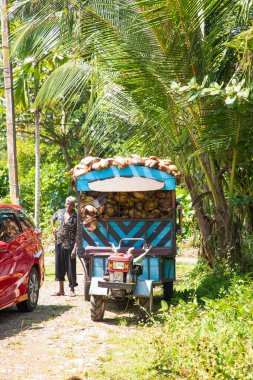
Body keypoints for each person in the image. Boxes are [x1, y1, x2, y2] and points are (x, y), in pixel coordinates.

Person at [51, 196, 78, 297]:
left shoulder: (76, 216)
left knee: (71, 267)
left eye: (71, 204)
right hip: (59, 242)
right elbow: (52, 219)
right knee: (59, 266)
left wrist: (75, 249)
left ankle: (72, 289)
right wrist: (53, 227)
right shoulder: (60, 212)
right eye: (68, 204)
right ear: (65, 203)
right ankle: (61, 290)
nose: (69, 206)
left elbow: (78, 234)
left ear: (74, 205)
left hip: (70, 244)